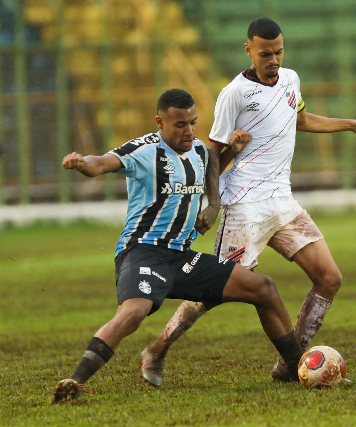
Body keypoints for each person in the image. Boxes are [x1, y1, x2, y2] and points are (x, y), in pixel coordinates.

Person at [141, 18, 356, 384]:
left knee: (329, 278)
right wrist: (212, 204)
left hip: (283, 203)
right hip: (244, 207)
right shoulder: (234, 94)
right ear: (249, 51)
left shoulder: (291, 79)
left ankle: (292, 365)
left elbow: (299, 119)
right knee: (212, 293)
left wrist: (348, 123)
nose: (273, 59)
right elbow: (213, 156)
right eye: (265, 53)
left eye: (278, 52)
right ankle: (156, 350)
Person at [51, 89, 304, 404]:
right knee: (133, 314)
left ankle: (295, 367)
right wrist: (81, 163)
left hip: (182, 258)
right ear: (160, 121)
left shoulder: (197, 150)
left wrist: (213, 202)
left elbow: (210, 166)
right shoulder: (143, 151)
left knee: (264, 288)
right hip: (143, 252)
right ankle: (74, 383)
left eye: (193, 123)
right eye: (181, 124)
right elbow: (101, 163)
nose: (189, 131)